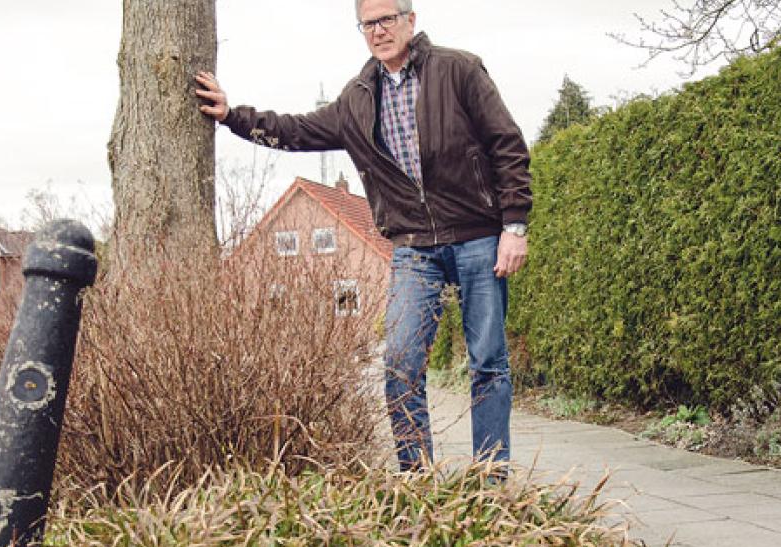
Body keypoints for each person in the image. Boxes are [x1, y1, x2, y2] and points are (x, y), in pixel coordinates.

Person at [195, 0, 532, 471]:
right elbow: (296, 130)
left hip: (477, 235)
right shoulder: (357, 100)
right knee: (399, 365)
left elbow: (507, 146)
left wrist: (514, 226)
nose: (377, 31)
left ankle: (492, 481)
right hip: (414, 248)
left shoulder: (459, 70)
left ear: (410, 21)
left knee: (488, 363)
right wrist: (233, 115)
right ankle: (417, 481)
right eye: (367, 23)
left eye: (386, 20)